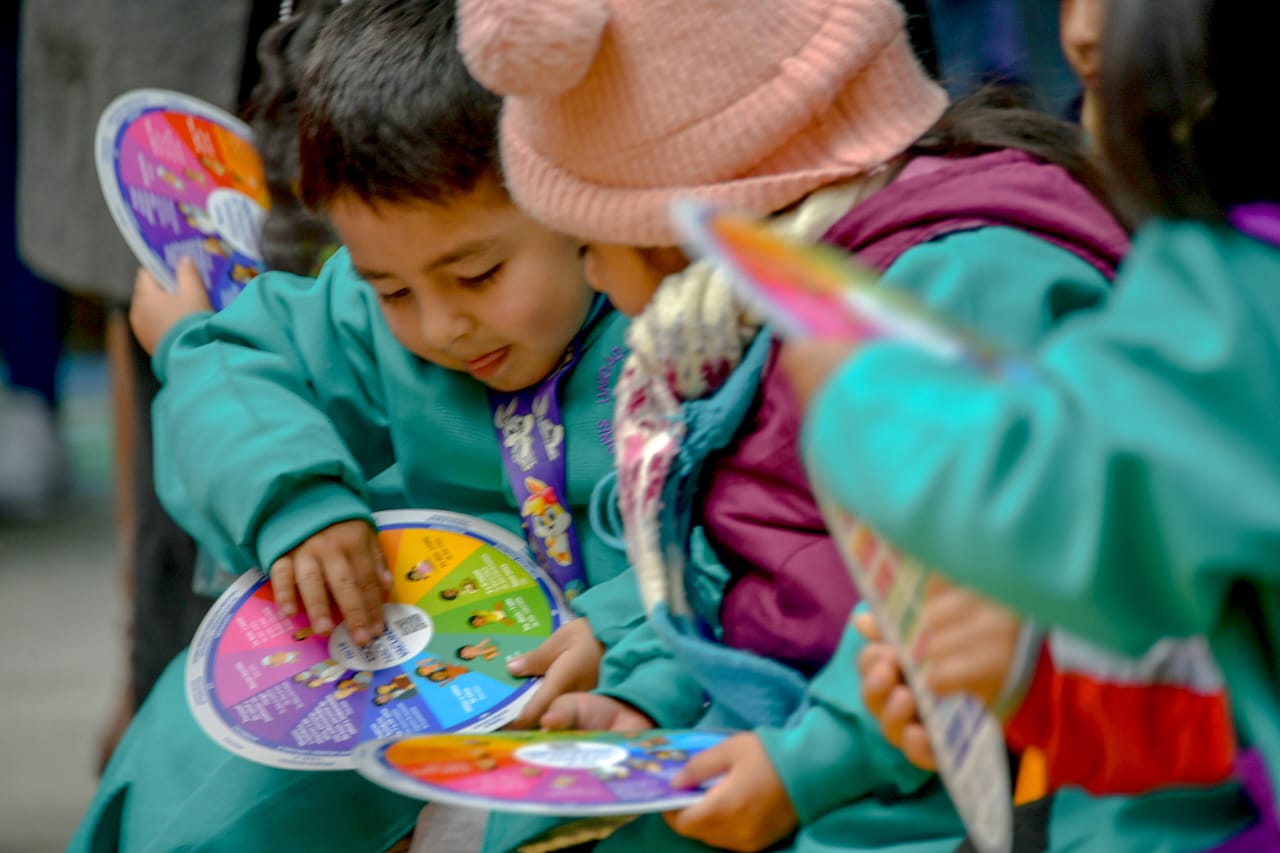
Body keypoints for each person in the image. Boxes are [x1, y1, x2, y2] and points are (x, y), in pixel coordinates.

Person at [454, 0, 1250, 850]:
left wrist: (803, 767)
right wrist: (650, 688)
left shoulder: (959, 288)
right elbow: (732, 544)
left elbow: (972, 616)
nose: (598, 286)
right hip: (807, 723)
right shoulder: (735, 313)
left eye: (590, 245)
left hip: (967, 777)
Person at [69, 2, 642, 850]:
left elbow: (753, 522)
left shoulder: (670, 323)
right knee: (202, 787)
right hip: (422, 673)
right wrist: (294, 500)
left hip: (631, 687)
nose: (443, 326)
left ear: (578, 192)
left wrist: (627, 627)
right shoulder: (360, 316)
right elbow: (241, 361)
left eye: (478, 273)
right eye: (393, 289)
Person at [779, 0, 1280, 843]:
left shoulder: (1240, 298)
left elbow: (1042, 494)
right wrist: (1042, 690)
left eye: (1094, 76)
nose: (1085, 126)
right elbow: (1232, 708)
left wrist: (866, 394)